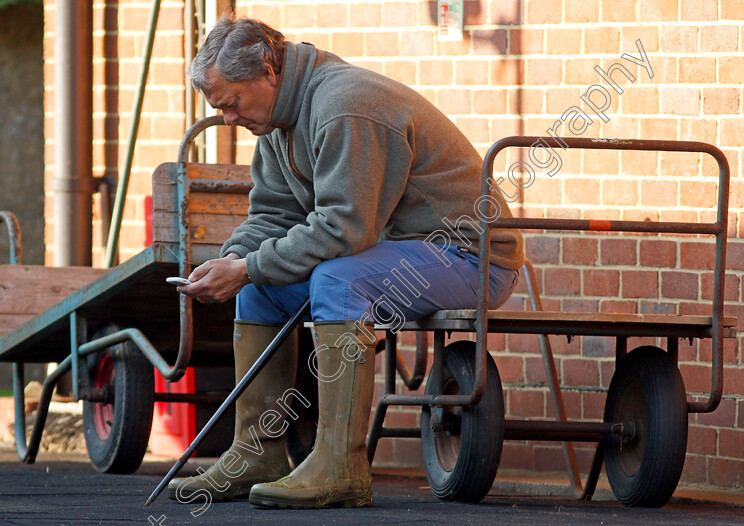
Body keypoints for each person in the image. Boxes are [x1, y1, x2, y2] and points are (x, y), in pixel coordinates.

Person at [169, 14, 524, 509]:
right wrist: (234, 261)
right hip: (401, 254)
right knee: (259, 288)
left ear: (269, 71)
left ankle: (341, 466)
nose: (228, 119)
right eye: (220, 108)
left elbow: (343, 230)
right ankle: (257, 455)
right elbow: (273, 214)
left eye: (232, 103)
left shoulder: (344, 106)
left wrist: (249, 265)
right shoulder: (276, 121)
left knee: (338, 278)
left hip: (467, 256)